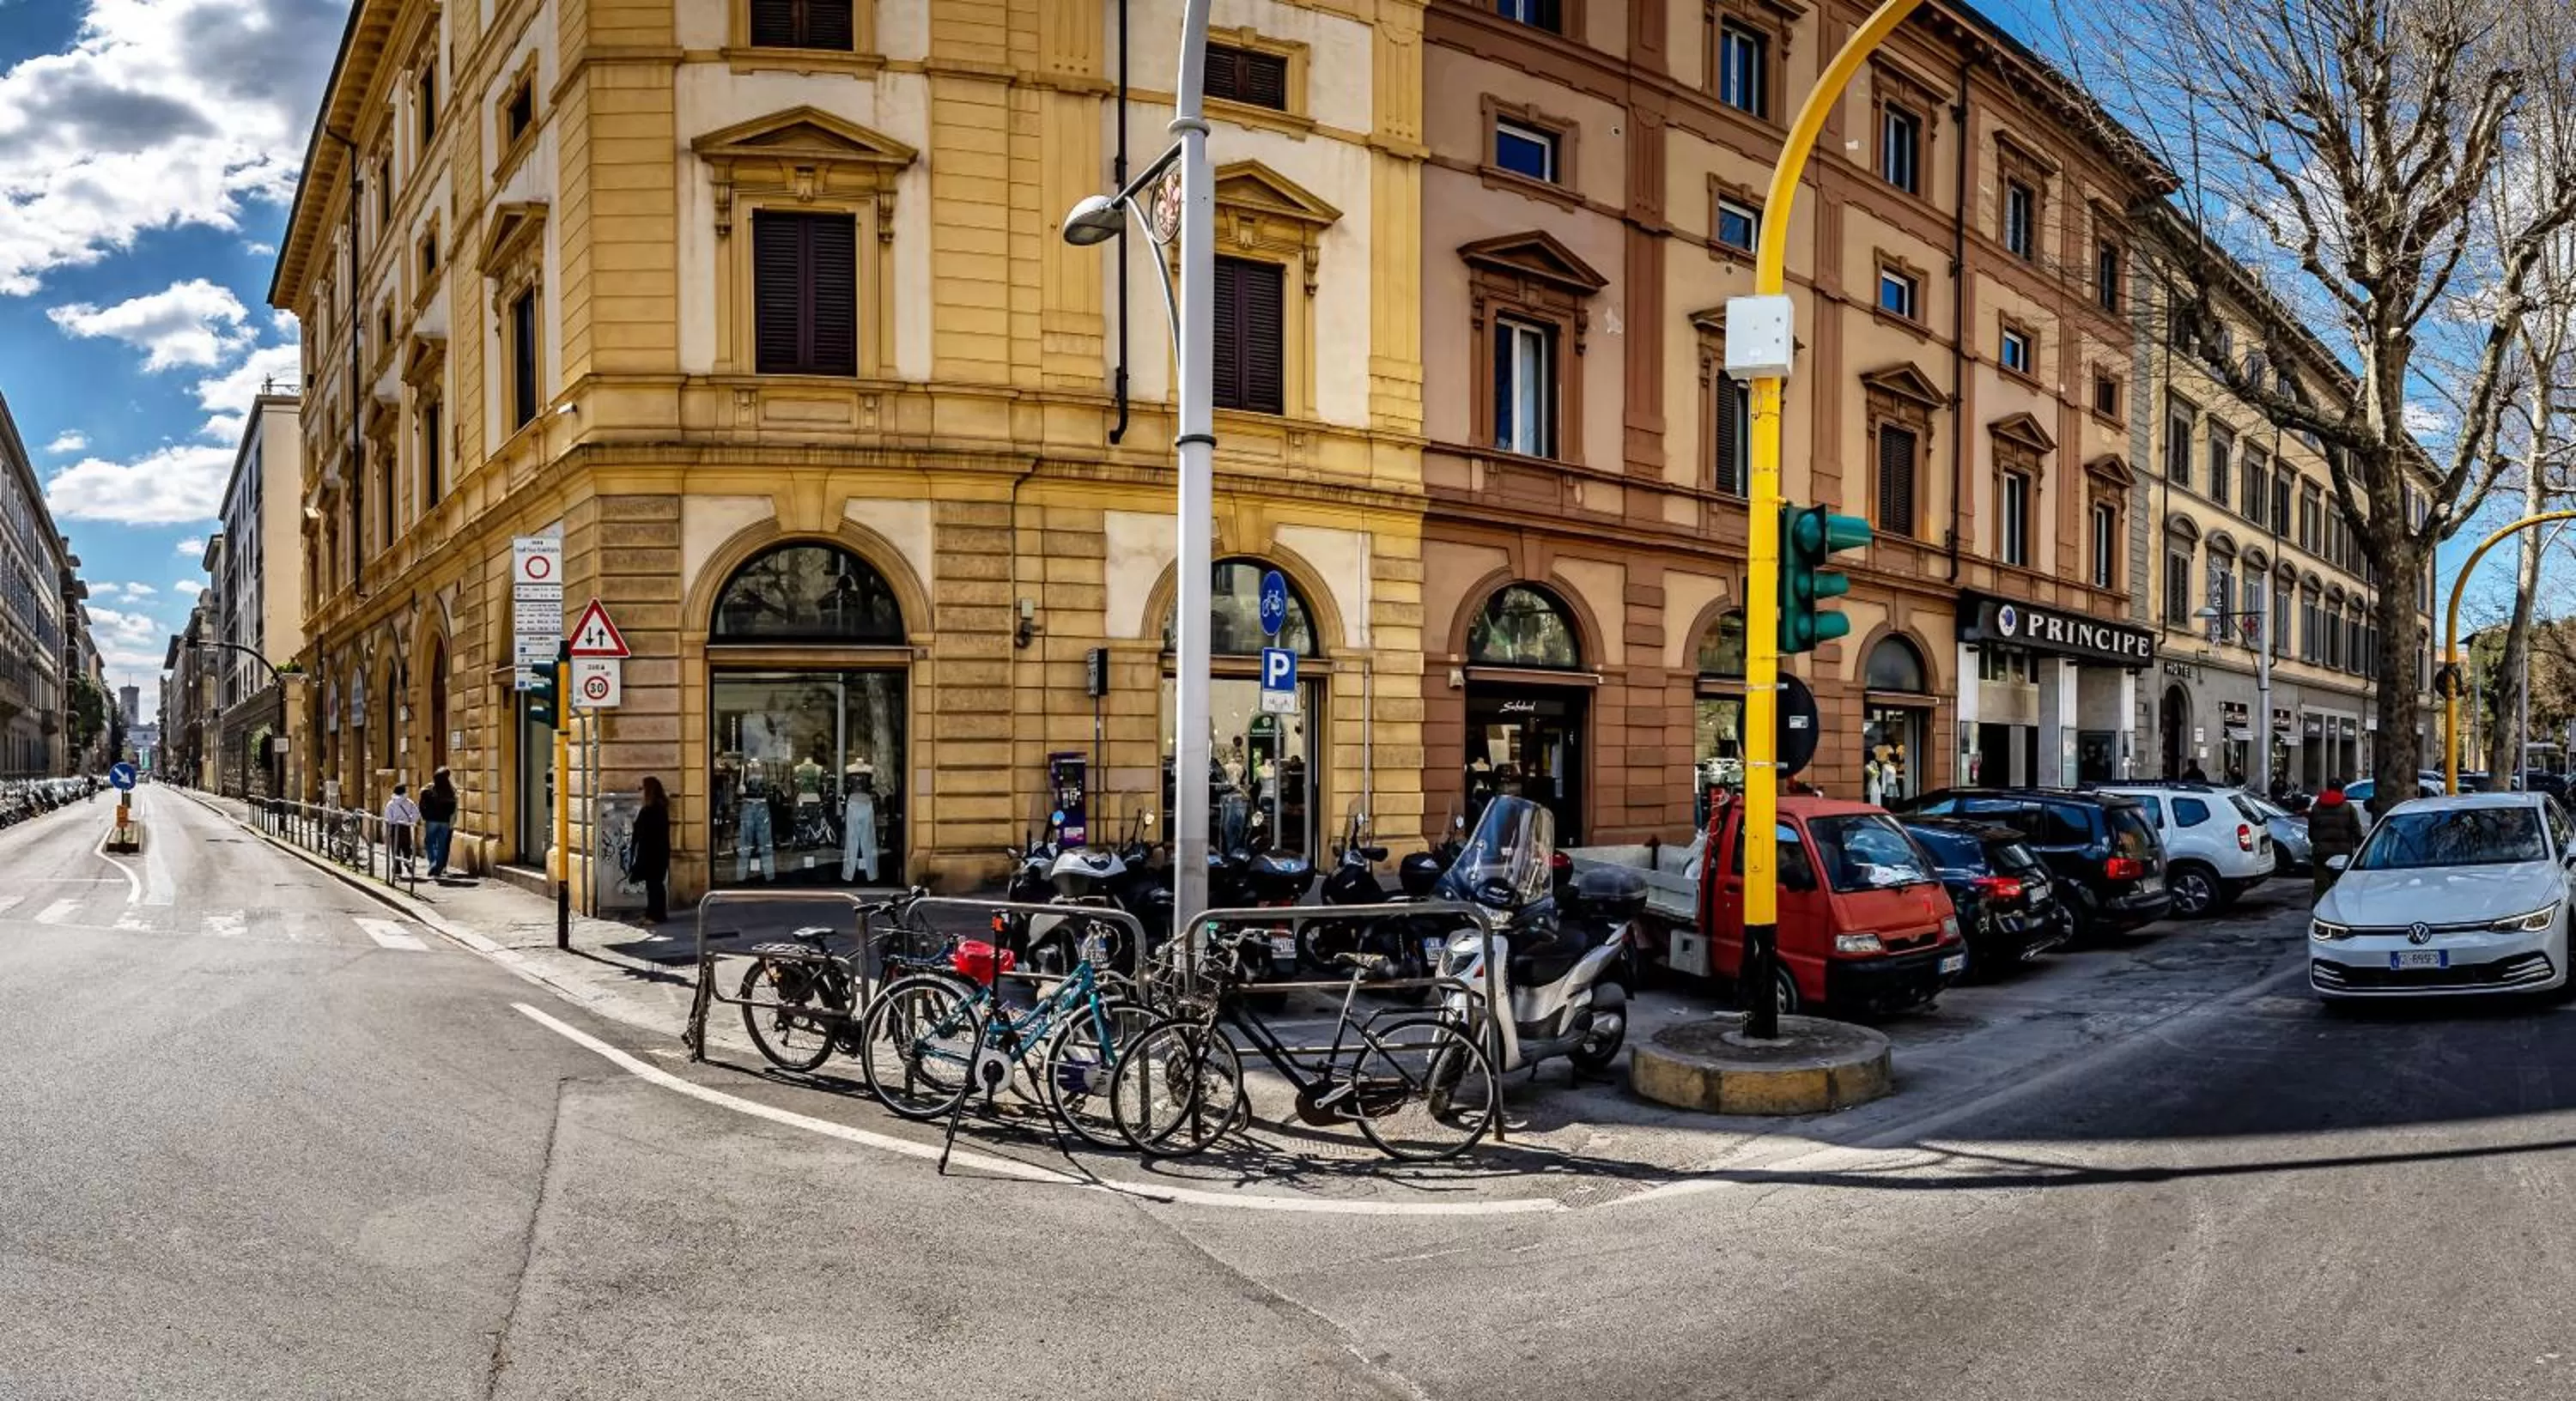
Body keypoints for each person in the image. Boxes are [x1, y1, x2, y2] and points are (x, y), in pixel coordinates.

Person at [2306, 778, 2365, 904]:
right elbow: (2356, 829)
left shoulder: (2316, 807)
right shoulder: (2348, 808)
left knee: (2321, 887)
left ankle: (2319, 913)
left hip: (2321, 853)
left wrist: (2316, 842)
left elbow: (2311, 831)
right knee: (2342, 887)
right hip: (2342, 853)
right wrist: (2358, 844)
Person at [632, 776, 672, 924]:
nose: (640, 792)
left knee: (655, 885)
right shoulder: (657, 807)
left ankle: (657, 915)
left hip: (653, 852)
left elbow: (646, 831)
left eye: (642, 789)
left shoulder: (653, 809)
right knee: (653, 885)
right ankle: (651, 913)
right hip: (656, 852)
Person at [420, 767, 459, 879]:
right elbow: (452, 808)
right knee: (442, 845)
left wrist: (425, 816)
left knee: (430, 842)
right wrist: (446, 816)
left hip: (431, 820)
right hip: (445, 822)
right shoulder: (450, 792)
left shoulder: (428, 791)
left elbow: (422, 805)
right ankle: (438, 867)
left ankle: (433, 863)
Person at [383, 782, 422, 878]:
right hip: (406, 827)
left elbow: (388, 817)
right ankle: (407, 862)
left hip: (395, 827)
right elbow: (417, 814)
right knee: (406, 847)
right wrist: (410, 821)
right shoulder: (409, 802)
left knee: (395, 849)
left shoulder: (391, 803)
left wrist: (393, 822)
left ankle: (397, 870)